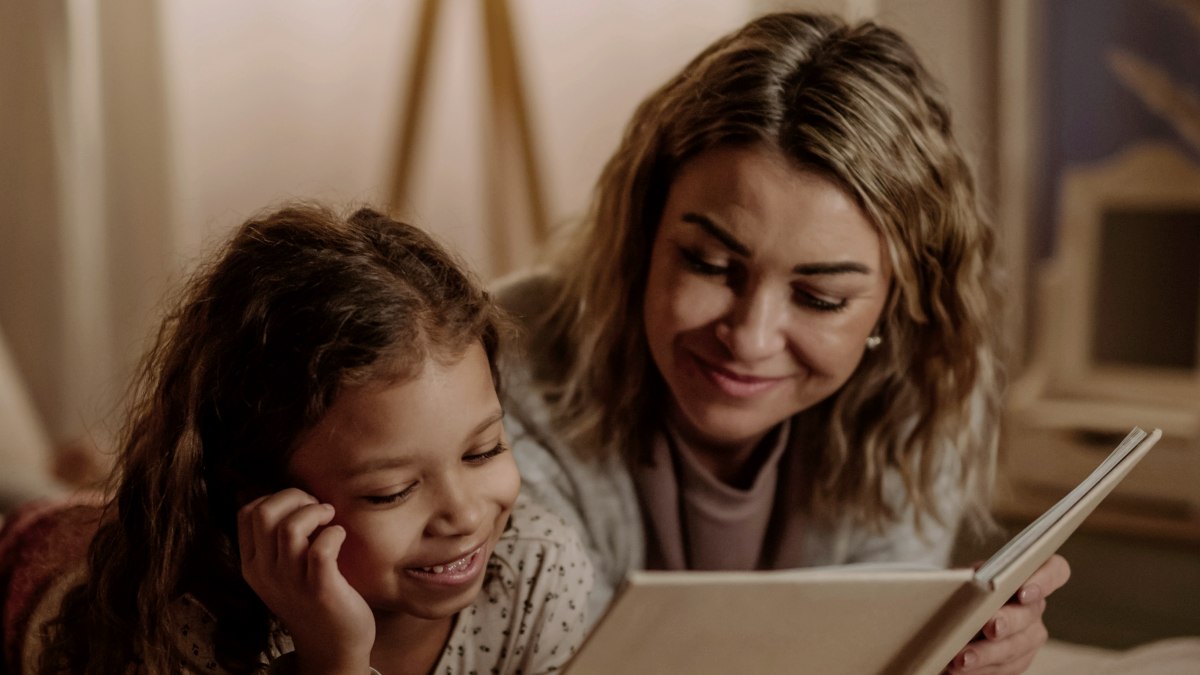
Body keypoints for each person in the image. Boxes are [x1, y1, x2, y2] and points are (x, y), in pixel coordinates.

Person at [496, 11, 1068, 675]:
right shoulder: (500, 363)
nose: (750, 336)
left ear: (898, 302)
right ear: (642, 232)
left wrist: (941, 645)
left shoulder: (918, 385)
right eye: (709, 263)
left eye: (820, 298)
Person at [28, 205, 592, 675]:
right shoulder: (182, 629)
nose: (465, 514)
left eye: (484, 450)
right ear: (260, 495)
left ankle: (81, 475)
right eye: (392, 491)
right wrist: (334, 660)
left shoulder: (542, 571)